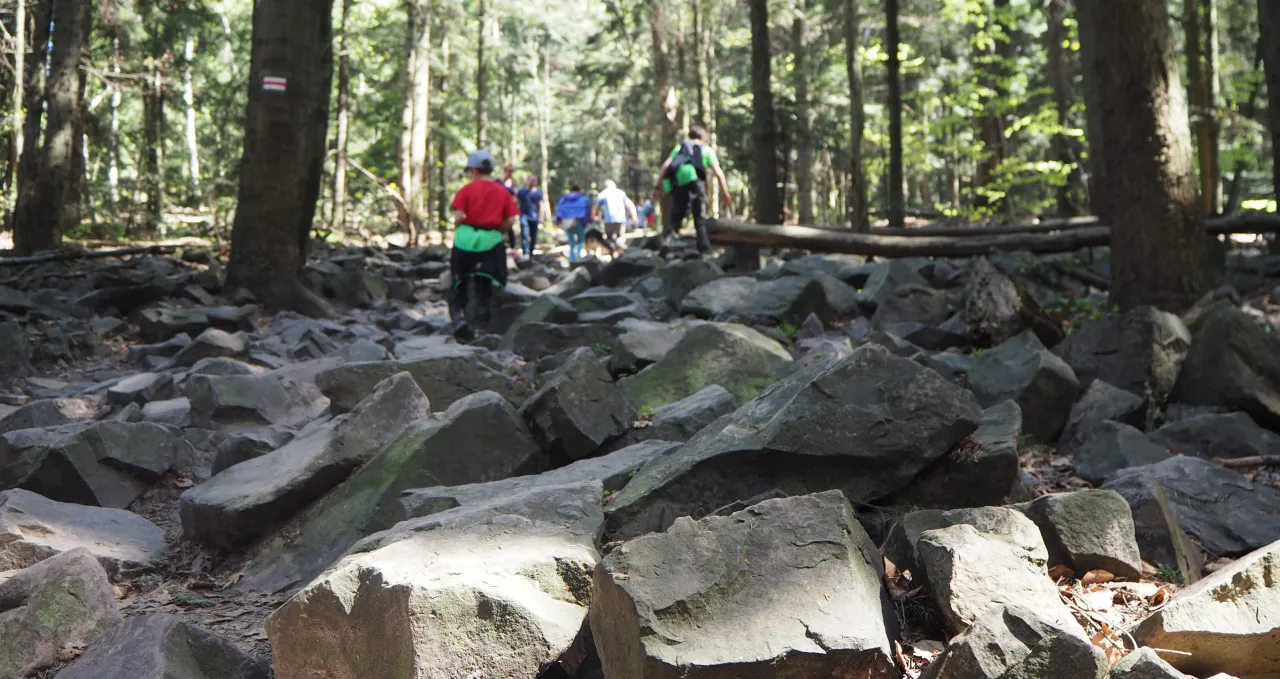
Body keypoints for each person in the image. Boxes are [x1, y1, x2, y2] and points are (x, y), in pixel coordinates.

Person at [448, 150, 519, 337]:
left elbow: (458, 216)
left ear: (473, 170)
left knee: (459, 282)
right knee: (484, 284)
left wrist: (461, 227)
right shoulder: (502, 191)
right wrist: (499, 230)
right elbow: (511, 220)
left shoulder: (466, 190)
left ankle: (458, 317)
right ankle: (481, 326)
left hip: (464, 240)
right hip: (490, 241)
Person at [652, 125, 732, 255]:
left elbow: (666, 166)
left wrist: (656, 187)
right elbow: (718, 173)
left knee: (676, 217)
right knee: (700, 218)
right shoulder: (706, 149)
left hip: (679, 184)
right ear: (703, 138)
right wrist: (725, 192)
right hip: (696, 183)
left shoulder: (680, 148)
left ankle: (666, 243)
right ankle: (705, 250)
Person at [593, 179, 638, 256]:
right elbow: (630, 205)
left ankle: (613, 254)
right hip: (620, 219)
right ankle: (621, 254)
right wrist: (634, 216)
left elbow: (595, 207)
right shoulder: (621, 193)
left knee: (609, 239)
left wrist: (594, 216)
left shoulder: (603, 194)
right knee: (620, 237)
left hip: (608, 220)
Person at [555, 184, 592, 262]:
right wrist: (587, 222)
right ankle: (578, 257)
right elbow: (587, 211)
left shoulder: (564, 199)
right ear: (579, 190)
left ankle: (572, 259)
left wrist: (558, 221)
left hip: (567, 222)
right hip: (579, 221)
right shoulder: (584, 199)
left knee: (571, 241)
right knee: (581, 240)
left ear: (571, 191)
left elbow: (559, 210)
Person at [516, 175, 544, 257]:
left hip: (534, 217)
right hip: (524, 216)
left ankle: (531, 252)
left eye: (534, 180)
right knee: (524, 234)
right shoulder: (522, 192)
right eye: (531, 180)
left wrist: (541, 217)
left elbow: (541, 205)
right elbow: (516, 202)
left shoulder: (538, 194)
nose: (532, 182)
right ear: (528, 180)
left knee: (533, 236)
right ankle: (525, 252)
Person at [501, 164, 519, 250]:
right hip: (501, 207)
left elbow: (515, 196)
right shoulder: (501, 182)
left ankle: (512, 246)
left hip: (509, 207)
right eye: (508, 171)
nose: (509, 173)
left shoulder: (512, 183)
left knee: (510, 226)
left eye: (511, 171)